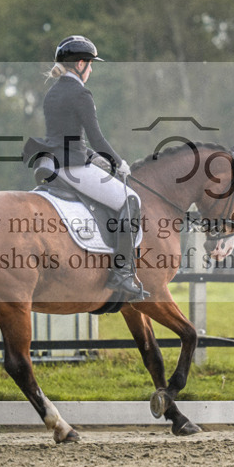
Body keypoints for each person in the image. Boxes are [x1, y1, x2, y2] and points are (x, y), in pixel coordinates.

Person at [23, 35, 148, 301]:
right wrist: (119, 163)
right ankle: (122, 273)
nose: (91, 70)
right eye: (90, 65)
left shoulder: (52, 92)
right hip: (70, 167)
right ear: (81, 64)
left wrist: (92, 157)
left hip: (50, 163)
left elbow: (65, 137)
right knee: (130, 199)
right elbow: (96, 137)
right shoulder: (81, 93)